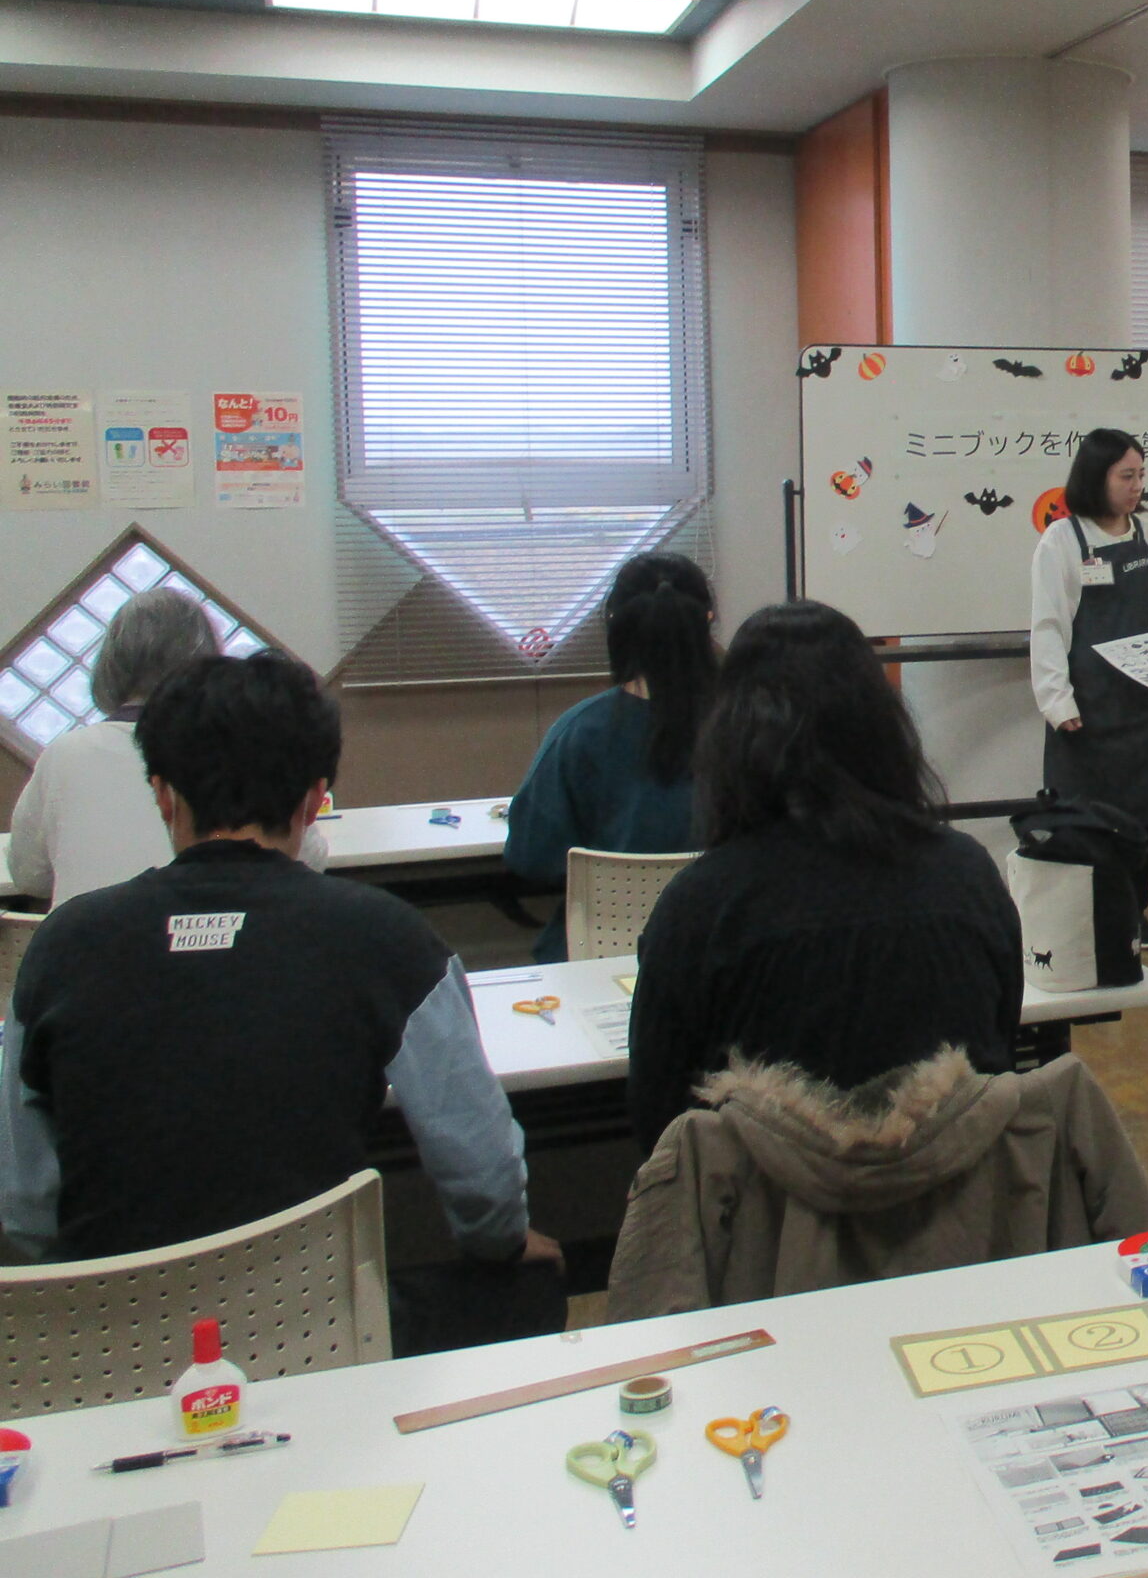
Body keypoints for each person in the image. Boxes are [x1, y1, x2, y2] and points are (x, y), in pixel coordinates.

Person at [0, 652, 559, 1343]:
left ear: (163, 795)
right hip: (316, 1336)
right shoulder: (391, 940)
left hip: (111, 1347)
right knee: (527, 1283)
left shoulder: (59, 947)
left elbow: (23, 1206)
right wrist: (501, 1243)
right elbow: (483, 1179)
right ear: (315, 799)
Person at [625, 601, 1024, 1155]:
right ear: (882, 725)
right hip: (956, 1196)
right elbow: (997, 1063)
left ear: (730, 735)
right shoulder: (969, 875)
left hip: (768, 1204)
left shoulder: (700, 905)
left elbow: (660, 1126)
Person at [9, 588, 328, 906]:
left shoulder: (65, 753)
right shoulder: (241, 748)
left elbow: (28, 875)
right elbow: (308, 859)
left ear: (109, 666)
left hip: (89, 935)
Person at [506, 554, 718, 963]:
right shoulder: (750, 726)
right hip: (720, 953)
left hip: (598, 956)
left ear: (614, 623)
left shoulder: (579, 731)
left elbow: (531, 855)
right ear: (707, 620)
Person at [1028, 429, 1148, 951]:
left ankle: (1135, 915)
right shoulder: (1062, 541)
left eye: (1141, 475)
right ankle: (1092, 919)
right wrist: (1057, 701)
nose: (1136, 486)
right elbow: (1048, 627)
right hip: (1091, 707)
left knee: (1143, 818)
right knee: (1092, 817)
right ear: (1096, 477)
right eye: (1127, 476)